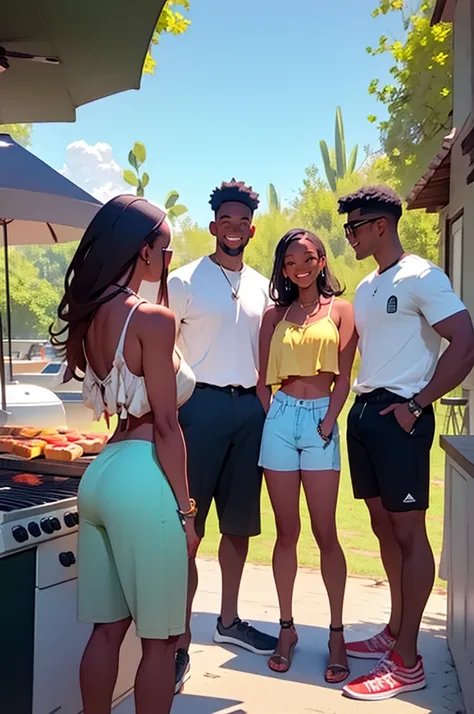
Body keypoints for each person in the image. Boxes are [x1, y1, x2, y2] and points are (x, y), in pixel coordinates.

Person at [50, 195, 199, 714]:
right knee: (159, 642)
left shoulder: (92, 316)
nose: (170, 256)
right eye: (166, 247)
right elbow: (165, 423)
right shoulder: (154, 320)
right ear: (144, 251)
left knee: (107, 630)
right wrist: (186, 513)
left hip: (101, 476)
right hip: (142, 475)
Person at [337, 186, 474, 701]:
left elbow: (466, 342)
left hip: (403, 416)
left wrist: (417, 405)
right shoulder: (370, 284)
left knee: (411, 535)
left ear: (380, 226)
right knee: (383, 528)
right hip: (367, 414)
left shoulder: (422, 275)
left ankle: (409, 660)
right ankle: (396, 630)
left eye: (355, 226)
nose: (349, 235)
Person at [167, 179, 278, 690]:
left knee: (239, 524)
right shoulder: (184, 280)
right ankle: (177, 638)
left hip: (249, 412)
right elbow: (161, 351)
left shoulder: (263, 286)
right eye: (225, 220)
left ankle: (229, 622)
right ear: (213, 226)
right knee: (187, 529)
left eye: (243, 222)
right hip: (199, 409)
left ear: (252, 230)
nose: (234, 228)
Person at [257, 229, 357, 681]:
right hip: (280, 418)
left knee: (325, 531)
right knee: (285, 532)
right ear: (282, 267)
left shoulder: (341, 310)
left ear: (321, 261)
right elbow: (263, 379)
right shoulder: (273, 315)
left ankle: (336, 633)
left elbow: (345, 378)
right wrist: (274, 416)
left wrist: (329, 418)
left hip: (321, 419)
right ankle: (286, 628)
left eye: (309, 258)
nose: (300, 267)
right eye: (291, 261)